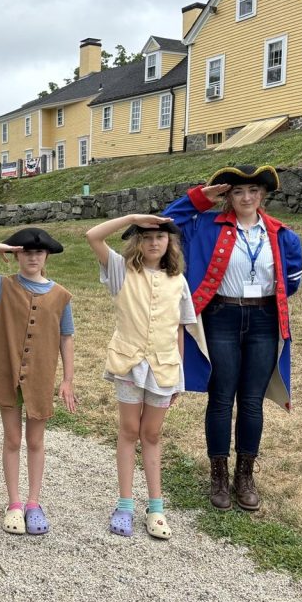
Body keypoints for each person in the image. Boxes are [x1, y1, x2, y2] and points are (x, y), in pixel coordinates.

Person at [164, 164, 302, 511]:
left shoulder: (283, 235)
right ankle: (218, 475)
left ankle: (244, 476)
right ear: (227, 196)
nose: (246, 197)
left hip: (264, 320)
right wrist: (199, 198)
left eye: (253, 191)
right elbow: (166, 222)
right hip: (221, 318)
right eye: (238, 191)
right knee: (222, 397)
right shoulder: (205, 227)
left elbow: (293, 281)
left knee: (252, 400)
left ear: (263, 195)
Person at [85, 214, 203, 539]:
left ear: (170, 243)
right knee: (128, 431)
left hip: (164, 368)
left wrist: (178, 373)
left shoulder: (177, 281)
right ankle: (124, 504)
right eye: (147, 236)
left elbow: (180, 328)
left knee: (151, 435)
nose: (154, 243)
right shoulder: (121, 271)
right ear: (138, 240)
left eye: (160, 237)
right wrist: (134, 217)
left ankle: (156, 507)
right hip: (128, 364)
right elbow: (93, 235)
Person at [0, 228, 77, 535]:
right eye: (25, 252)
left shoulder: (61, 295)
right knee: (12, 439)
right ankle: (13, 503)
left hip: (40, 376)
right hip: (7, 373)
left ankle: (34, 502)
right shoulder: (0, 285)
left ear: (46, 256)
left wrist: (68, 379)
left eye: (38, 252)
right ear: (16, 255)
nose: (32, 257)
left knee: (36, 441)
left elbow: (67, 337)